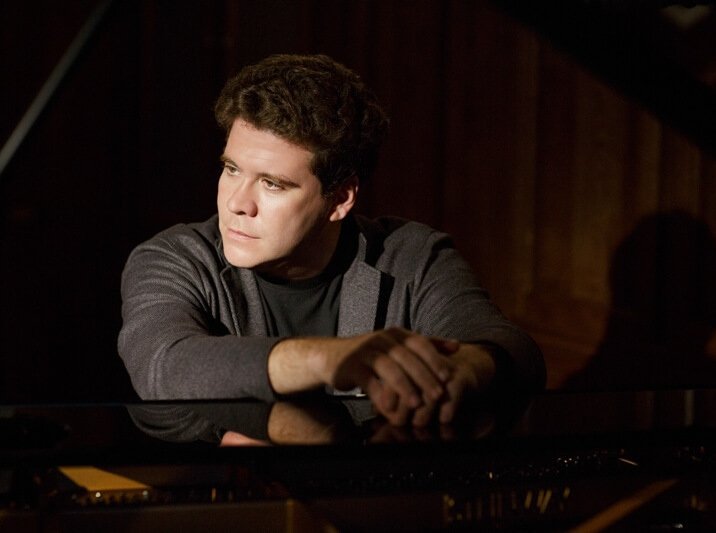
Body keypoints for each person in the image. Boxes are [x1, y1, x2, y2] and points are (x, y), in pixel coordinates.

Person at [118, 54, 544, 429]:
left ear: (339, 199)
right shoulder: (173, 258)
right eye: (232, 169)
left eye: (271, 184)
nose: (237, 203)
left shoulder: (412, 256)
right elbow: (164, 365)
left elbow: (511, 349)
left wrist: (467, 367)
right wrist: (330, 359)